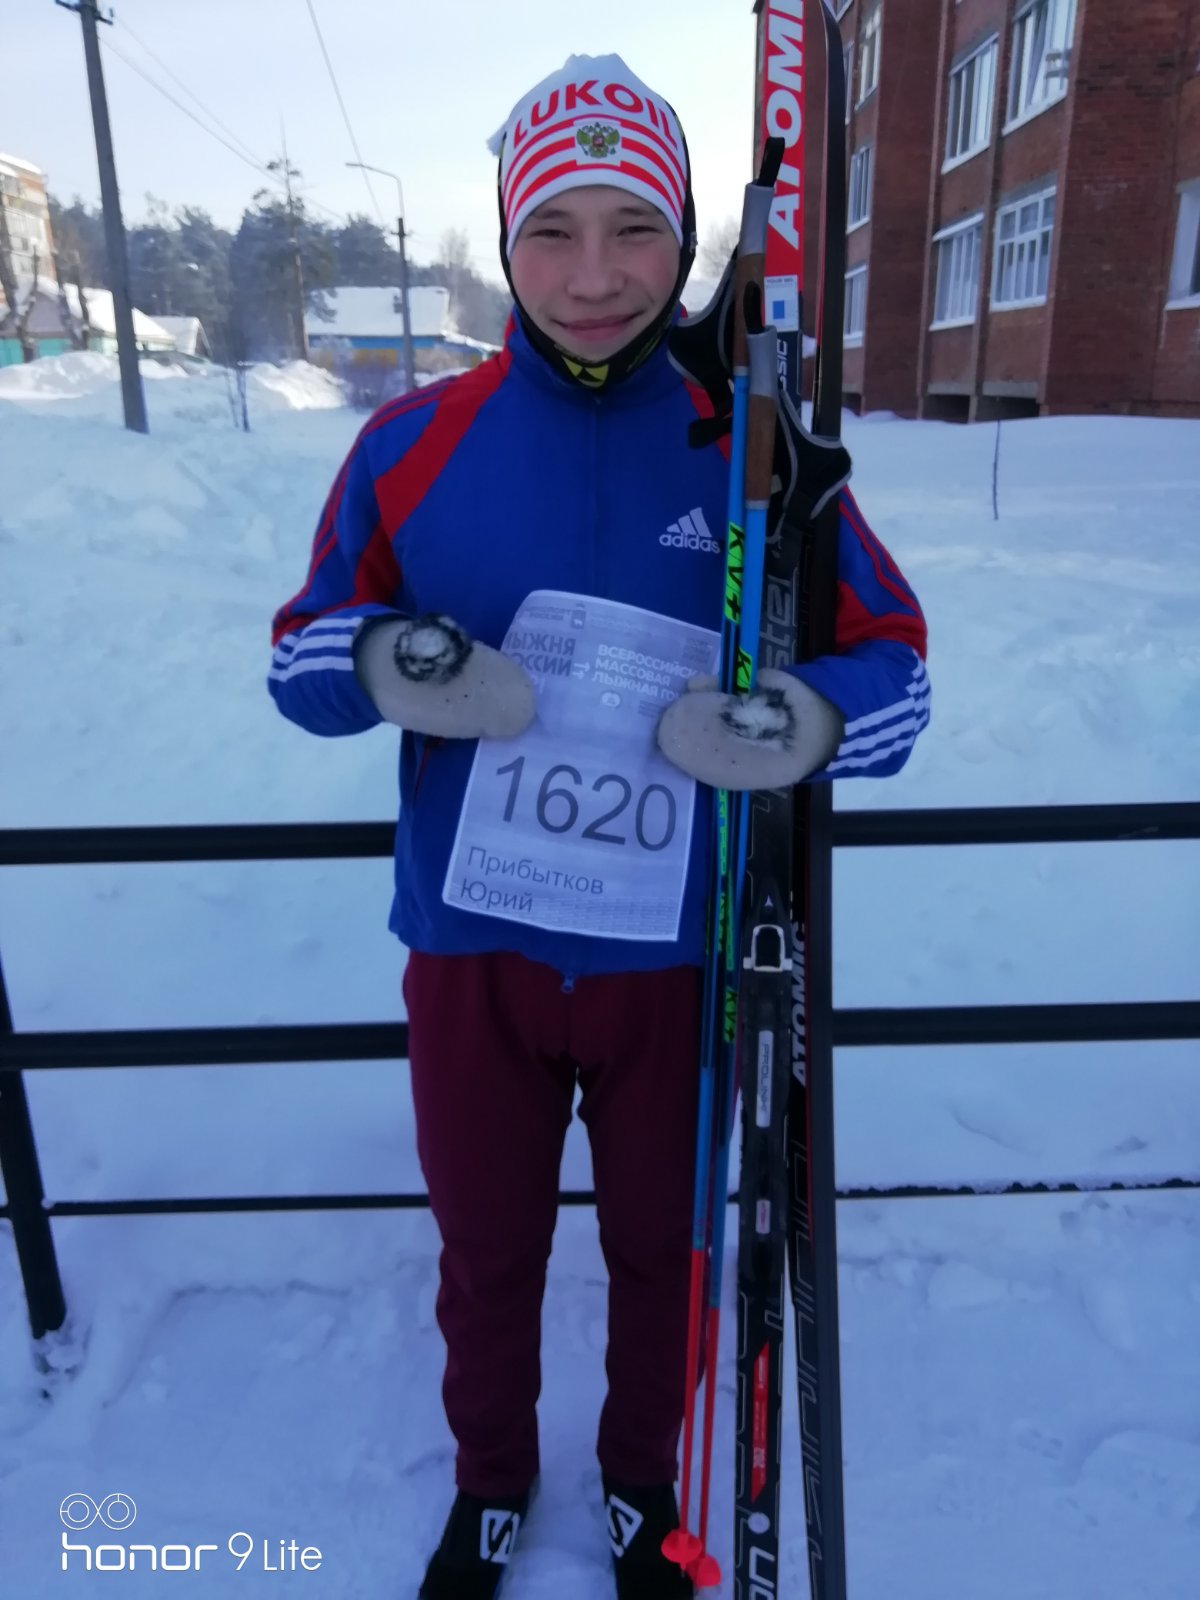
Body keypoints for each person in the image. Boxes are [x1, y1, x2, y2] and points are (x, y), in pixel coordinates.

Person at [268, 53, 929, 1600]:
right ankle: (490, 1482)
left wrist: (803, 721)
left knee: (664, 1254)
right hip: (476, 951)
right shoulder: (412, 442)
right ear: (504, 240)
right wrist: (389, 661)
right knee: (486, 1250)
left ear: (684, 239)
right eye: (551, 231)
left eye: (636, 229)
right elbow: (300, 661)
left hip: (675, 963)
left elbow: (898, 672)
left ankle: (643, 1482)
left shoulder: (752, 446)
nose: (592, 276)